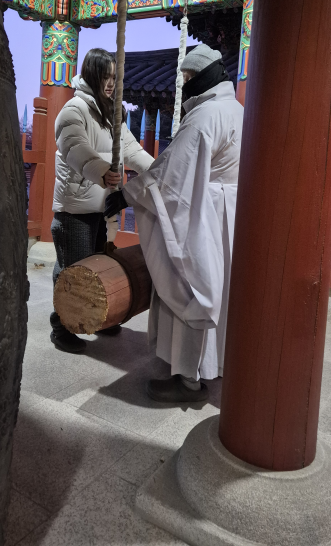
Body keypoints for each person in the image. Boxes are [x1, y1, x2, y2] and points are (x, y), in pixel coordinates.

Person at [105, 43, 243, 402]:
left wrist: (128, 195)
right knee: (220, 291)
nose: (184, 82)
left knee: (188, 285)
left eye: (189, 76)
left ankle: (188, 380)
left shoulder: (204, 116)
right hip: (229, 218)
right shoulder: (237, 110)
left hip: (202, 217)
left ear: (203, 76)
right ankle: (214, 364)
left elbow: (171, 175)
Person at [51, 47, 154, 353]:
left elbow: (131, 149)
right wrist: (100, 171)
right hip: (75, 207)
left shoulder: (110, 112)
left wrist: (159, 169)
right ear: (92, 75)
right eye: (106, 76)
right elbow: (75, 148)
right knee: (73, 267)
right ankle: (61, 326)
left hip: (101, 205)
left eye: (114, 77)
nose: (111, 83)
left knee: (98, 265)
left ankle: (99, 317)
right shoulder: (73, 110)